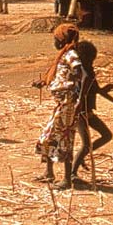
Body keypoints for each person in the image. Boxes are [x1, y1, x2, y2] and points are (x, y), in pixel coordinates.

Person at [34, 23, 84, 188]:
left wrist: (73, 90)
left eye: (56, 39)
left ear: (62, 40)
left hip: (68, 105)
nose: (54, 42)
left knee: (65, 140)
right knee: (48, 137)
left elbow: (79, 73)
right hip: (61, 104)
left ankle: (67, 179)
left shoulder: (71, 54)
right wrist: (44, 82)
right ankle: (48, 172)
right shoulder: (64, 55)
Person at [72, 40, 113, 184]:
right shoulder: (84, 71)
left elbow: (96, 89)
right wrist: (80, 101)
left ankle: (83, 156)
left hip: (87, 111)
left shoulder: (89, 70)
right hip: (81, 112)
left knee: (107, 135)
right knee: (86, 144)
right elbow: (85, 85)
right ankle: (73, 173)